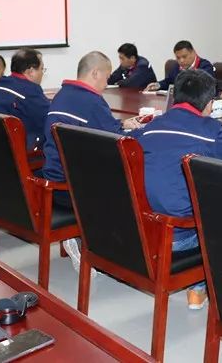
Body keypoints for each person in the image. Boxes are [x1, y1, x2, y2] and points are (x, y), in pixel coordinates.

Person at [135, 70, 222, 310]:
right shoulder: (209, 131)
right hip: (179, 237)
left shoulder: (151, 126)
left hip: (141, 228)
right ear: (209, 104)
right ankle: (199, 287)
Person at [42, 52, 144, 275]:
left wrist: (120, 124)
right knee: (134, 181)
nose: (107, 84)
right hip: (76, 190)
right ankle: (110, 253)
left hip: (54, 178)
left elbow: (97, 128)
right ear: (95, 73)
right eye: (106, 77)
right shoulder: (92, 101)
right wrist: (140, 132)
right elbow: (116, 142)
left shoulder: (62, 95)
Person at [0, 48, 50, 151]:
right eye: (42, 69)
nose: (42, 73)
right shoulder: (30, 92)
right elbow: (50, 119)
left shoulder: (1, 85)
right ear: (30, 71)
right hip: (18, 152)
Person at [145, 40, 214, 91]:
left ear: (193, 53)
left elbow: (203, 88)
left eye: (184, 56)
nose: (181, 61)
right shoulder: (176, 66)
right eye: (178, 58)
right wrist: (158, 85)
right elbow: (169, 81)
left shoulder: (205, 66)